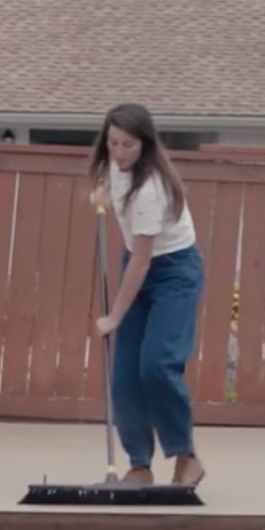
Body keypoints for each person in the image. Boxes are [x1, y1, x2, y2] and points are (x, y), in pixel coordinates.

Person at [88, 103, 205, 488]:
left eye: (128, 145)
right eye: (113, 143)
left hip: (174, 271)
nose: (119, 152)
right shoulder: (114, 165)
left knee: (156, 364)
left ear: (146, 145)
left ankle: (186, 456)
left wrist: (115, 317)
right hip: (137, 266)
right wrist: (102, 192)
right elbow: (109, 182)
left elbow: (141, 262)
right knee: (125, 373)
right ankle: (139, 464)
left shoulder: (151, 188)